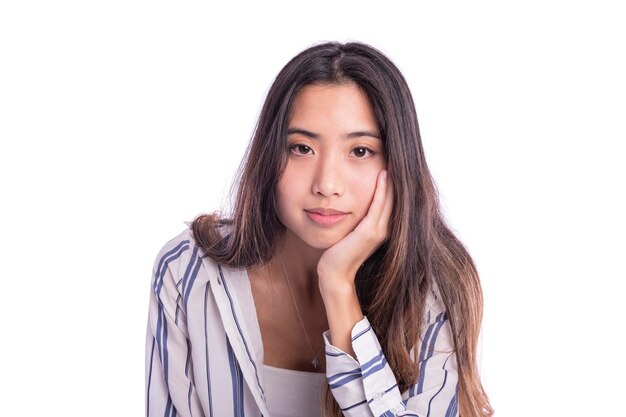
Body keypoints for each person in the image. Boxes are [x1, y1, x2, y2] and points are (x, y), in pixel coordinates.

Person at [145, 41, 493, 417]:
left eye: (360, 151)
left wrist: (339, 286)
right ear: (269, 156)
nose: (326, 184)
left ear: (398, 166)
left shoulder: (432, 290)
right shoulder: (188, 271)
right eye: (301, 148)